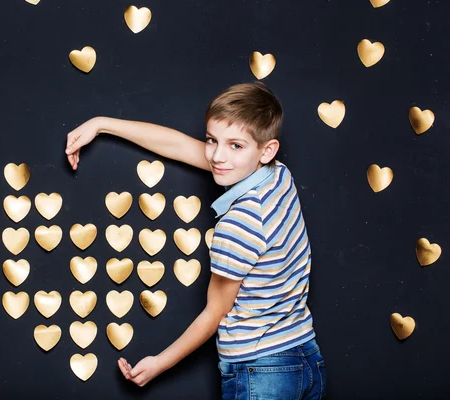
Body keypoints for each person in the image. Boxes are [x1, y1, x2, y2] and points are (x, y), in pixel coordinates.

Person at [65, 82, 326, 399]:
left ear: (266, 149)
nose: (217, 156)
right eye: (212, 140)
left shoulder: (240, 224)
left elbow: (214, 314)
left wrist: (159, 363)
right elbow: (179, 146)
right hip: (304, 357)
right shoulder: (277, 174)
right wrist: (101, 124)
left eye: (235, 146)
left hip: (262, 372)